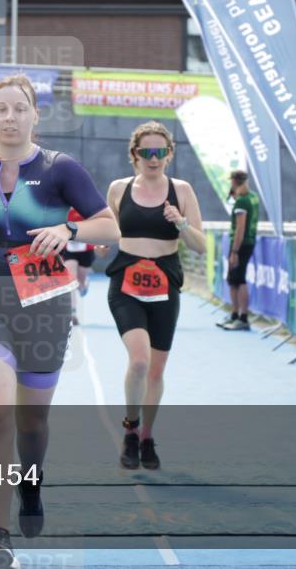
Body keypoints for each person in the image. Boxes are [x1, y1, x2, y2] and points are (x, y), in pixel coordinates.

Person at [0, 74, 119, 568]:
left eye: (19, 109)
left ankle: (30, 483)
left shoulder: (60, 168)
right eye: (1, 109)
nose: (10, 118)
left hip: (44, 300)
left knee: (32, 420)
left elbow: (109, 227)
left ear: (35, 116)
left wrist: (68, 229)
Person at [105, 121, 205, 470]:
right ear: (134, 154)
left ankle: (147, 436)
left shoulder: (182, 190)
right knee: (139, 361)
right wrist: (99, 242)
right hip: (126, 282)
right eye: (146, 151)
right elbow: (107, 230)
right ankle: (130, 430)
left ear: (169, 154)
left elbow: (200, 245)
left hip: (165, 282)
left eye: (159, 151)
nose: (153, 158)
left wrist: (181, 223)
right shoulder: (118, 189)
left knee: (155, 372)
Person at [218, 169, 260, 331]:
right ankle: (235, 315)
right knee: (234, 279)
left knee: (239, 279)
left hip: (241, 243)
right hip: (247, 241)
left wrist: (234, 251)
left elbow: (240, 228)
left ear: (234, 181)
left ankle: (243, 317)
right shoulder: (253, 196)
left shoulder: (242, 201)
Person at [61, 207, 95, 325]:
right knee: (71, 280)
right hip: (69, 247)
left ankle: (84, 285)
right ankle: (73, 312)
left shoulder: (86, 205)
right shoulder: (62, 206)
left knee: (80, 283)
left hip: (86, 248)